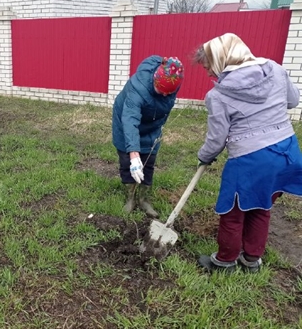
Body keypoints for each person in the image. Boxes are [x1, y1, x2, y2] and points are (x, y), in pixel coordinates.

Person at [194, 33, 302, 272]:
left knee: (233, 213)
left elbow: (217, 138)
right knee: (261, 206)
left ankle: (225, 261)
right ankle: (251, 260)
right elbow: (293, 101)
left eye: (209, 67)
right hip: (286, 153)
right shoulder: (274, 69)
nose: (210, 74)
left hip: (251, 160)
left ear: (223, 60)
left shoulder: (219, 95)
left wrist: (204, 156)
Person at [112, 55, 184, 218]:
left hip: (152, 124)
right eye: (162, 91)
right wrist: (133, 153)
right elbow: (130, 120)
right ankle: (130, 198)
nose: (166, 95)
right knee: (126, 160)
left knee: (148, 162)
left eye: (169, 92)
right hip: (126, 120)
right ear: (154, 81)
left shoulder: (172, 79)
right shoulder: (138, 88)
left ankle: (144, 199)